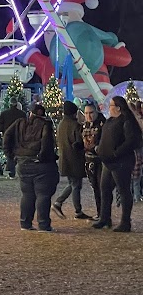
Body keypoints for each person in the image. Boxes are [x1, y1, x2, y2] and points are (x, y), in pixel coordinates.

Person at [3, 102, 60, 232]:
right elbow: (47, 143)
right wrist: (44, 157)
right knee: (43, 194)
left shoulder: (20, 123)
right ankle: (43, 225)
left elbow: (7, 135)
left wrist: (11, 155)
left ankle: (25, 223)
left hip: (23, 162)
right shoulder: (46, 125)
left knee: (27, 194)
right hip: (41, 164)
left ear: (30, 113)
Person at [92, 95, 142, 232]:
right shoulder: (110, 120)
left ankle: (125, 222)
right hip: (108, 162)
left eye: (112, 105)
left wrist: (116, 153)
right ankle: (104, 218)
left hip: (121, 162)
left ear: (119, 108)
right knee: (105, 189)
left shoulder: (127, 122)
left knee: (124, 190)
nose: (109, 108)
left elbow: (131, 141)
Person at [53, 101, 91, 220]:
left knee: (73, 184)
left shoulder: (61, 124)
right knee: (76, 185)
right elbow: (80, 142)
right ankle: (76, 210)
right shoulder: (75, 125)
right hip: (75, 159)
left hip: (65, 158)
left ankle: (59, 203)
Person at [82, 102, 106, 220]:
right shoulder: (85, 125)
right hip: (89, 159)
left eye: (91, 113)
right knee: (95, 187)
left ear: (96, 112)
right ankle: (100, 213)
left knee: (102, 187)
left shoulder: (102, 124)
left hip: (100, 160)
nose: (88, 116)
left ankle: (104, 215)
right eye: (86, 113)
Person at [0, 97, 26, 178]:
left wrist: (3, 131)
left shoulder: (4, 114)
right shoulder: (22, 114)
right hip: (19, 136)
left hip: (8, 136)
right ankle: (20, 170)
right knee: (20, 153)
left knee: (9, 153)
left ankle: (11, 171)